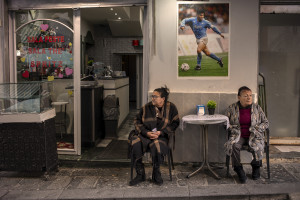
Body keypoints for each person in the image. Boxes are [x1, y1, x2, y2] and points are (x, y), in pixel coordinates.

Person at [128, 86, 179, 186]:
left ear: (163, 99)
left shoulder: (171, 107)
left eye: (155, 96)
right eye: (152, 96)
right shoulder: (146, 107)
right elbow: (137, 121)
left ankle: (156, 173)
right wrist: (145, 132)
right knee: (135, 142)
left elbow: (175, 123)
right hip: (145, 135)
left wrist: (162, 132)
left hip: (161, 136)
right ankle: (140, 173)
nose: (152, 98)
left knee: (157, 145)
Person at [224, 86, 269, 183]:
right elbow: (225, 123)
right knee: (233, 145)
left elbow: (266, 123)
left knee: (257, 145)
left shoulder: (257, 108)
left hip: (254, 135)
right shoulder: (232, 108)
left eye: (250, 95)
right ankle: (238, 169)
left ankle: (256, 166)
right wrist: (232, 128)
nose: (249, 98)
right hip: (238, 135)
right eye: (245, 96)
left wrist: (257, 129)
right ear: (239, 97)